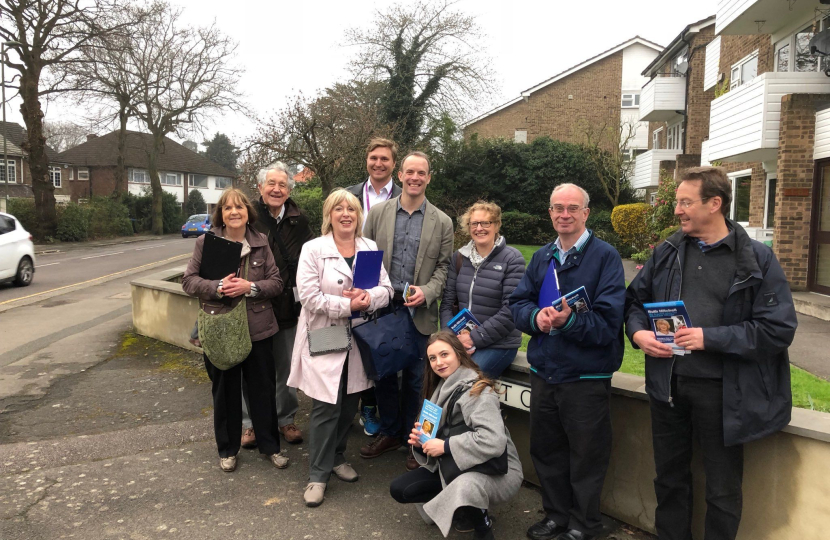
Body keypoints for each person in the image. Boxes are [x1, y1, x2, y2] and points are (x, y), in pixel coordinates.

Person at [625, 167, 797, 540]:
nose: (677, 210)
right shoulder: (668, 251)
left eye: (685, 202)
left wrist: (710, 338)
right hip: (668, 387)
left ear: (714, 204)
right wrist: (638, 333)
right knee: (669, 479)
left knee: (722, 489)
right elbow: (635, 301)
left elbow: (778, 329)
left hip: (725, 393)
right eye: (677, 202)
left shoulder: (757, 259)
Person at [509, 183, 625, 540]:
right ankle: (556, 516)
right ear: (550, 213)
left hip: (585, 376)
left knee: (586, 456)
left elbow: (608, 323)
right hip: (545, 371)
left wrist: (568, 321)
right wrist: (537, 319)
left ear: (586, 213)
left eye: (572, 208)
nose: (564, 214)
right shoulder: (543, 256)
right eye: (557, 208)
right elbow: (518, 304)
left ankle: (583, 524)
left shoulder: (606, 257)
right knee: (546, 450)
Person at [288, 189, 393, 507]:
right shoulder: (313, 249)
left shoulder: (369, 247)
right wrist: (349, 306)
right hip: (326, 335)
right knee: (325, 405)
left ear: (359, 216)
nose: (346, 213)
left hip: (360, 337)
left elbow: (386, 289)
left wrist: (369, 298)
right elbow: (308, 298)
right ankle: (317, 475)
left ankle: (336, 457)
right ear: (329, 215)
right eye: (339, 208)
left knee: (350, 403)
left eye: (352, 208)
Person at [182, 188, 288, 473]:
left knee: (262, 390)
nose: (234, 212)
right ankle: (227, 449)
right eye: (228, 208)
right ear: (221, 214)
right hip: (220, 328)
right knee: (225, 391)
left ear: (247, 212)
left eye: (239, 207)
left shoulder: (261, 241)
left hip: (259, 328)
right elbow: (189, 281)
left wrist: (249, 287)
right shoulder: (207, 242)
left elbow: (276, 283)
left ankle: (271, 447)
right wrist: (215, 287)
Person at [361, 150, 454, 470]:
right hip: (384, 308)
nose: (414, 178)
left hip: (420, 312)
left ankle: (414, 441)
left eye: (421, 173)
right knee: (384, 376)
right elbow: (367, 261)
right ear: (400, 175)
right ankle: (389, 432)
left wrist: (428, 292)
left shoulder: (442, 222)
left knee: (419, 380)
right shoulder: (377, 214)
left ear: (429, 177)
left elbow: (443, 268)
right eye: (409, 172)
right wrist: (368, 295)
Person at [389, 331, 523, 540]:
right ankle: (462, 507)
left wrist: (444, 446)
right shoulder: (440, 387)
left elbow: (494, 441)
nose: (438, 362)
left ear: (459, 354)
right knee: (400, 489)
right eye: (433, 358)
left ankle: (482, 526)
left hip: (498, 470)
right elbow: (437, 442)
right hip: (458, 462)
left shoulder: (478, 392)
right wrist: (421, 443)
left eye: (444, 354)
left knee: (465, 486)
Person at [239, 162, 315, 450]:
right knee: (253, 368)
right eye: (271, 183)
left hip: (287, 307)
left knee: (286, 368)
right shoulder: (248, 219)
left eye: (282, 185)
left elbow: (311, 261)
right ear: (260, 187)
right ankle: (249, 424)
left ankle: (286, 418)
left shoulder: (300, 221)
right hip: (252, 306)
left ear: (289, 190)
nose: (276, 189)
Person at [345, 137, 402, 436]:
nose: (378, 163)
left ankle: (381, 412)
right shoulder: (349, 195)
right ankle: (359, 406)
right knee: (355, 345)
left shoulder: (406, 197)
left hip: (389, 281)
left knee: (382, 349)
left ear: (394, 164)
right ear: (366, 160)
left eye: (385, 159)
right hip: (354, 276)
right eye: (374, 158)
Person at [439, 201, 525, 378]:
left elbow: (511, 310)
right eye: (474, 223)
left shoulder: (512, 258)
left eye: (486, 223)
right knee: (435, 373)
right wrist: (451, 339)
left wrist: (474, 338)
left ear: (496, 225)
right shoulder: (460, 258)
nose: (480, 228)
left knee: (466, 379)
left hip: (499, 344)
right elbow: (447, 303)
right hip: (460, 340)